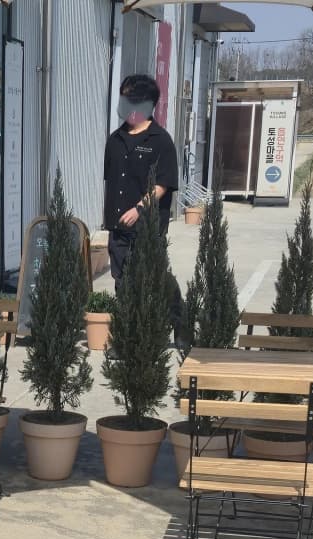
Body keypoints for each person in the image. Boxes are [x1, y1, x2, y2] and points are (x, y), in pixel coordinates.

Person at [102, 74, 186, 346]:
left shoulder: (160, 140)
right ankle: (125, 339)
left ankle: (180, 320)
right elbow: (112, 181)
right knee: (122, 280)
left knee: (155, 276)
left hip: (148, 224)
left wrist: (139, 208)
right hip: (119, 225)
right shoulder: (115, 140)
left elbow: (163, 184)